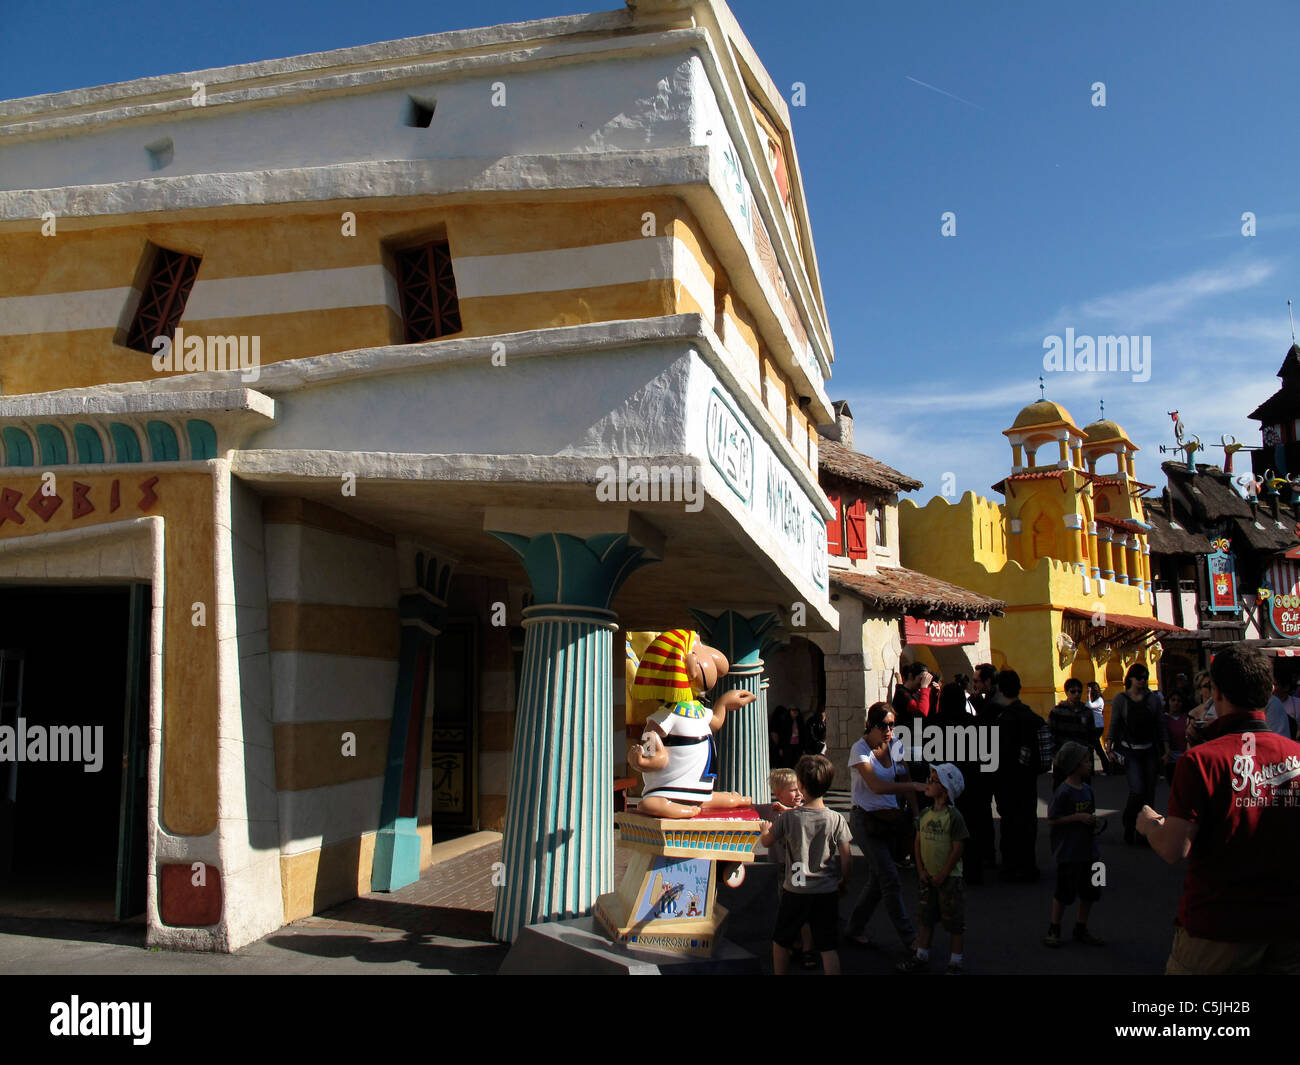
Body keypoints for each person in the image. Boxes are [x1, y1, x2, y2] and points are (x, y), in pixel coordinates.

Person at [1138, 644, 1300, 974]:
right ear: (1269, 691)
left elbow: (1174, 848)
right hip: (1289, 924)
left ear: (1217, 692)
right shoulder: (1296, 755)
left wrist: (1149, 825)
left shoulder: (1202, 761)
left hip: (1219, 927)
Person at [760, 754, 852, 975]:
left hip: (796, 888)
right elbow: (846, 856)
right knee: (828, 947)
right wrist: (844, 881)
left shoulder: (789, 818)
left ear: (800, 785)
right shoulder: (836, 819)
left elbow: (767, 841)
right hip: (826, 889)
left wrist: (764, 830)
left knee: (781, 940)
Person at [844, 703, 925, 952]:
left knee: (879, 880)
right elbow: (877, 785)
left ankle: (855, 927)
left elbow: (905, 778)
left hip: (890, 819)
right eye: (883, 726)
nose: (889, 730)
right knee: (890, 878)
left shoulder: (896, 746)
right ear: (871, 725)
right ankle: (910, 938)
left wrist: (915, 814)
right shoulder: (860, 750)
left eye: (892, 724)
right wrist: (912, 789)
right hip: (865, 819)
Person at [898, 763, 969, 974]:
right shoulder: (925, 814)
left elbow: (958, 847)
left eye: (933, 780)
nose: (927, 782)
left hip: (949, 879)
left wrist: (944, 873)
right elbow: (917, 843)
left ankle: (956, 961)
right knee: (925, 917)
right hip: (928, 877)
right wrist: (920, 870)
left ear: (946, 790)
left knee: (954, 921)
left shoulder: (953, 816)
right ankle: (921, 954)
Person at [1043, 741, 1105, 948]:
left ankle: (1082, 927)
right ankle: (1055, 927)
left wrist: (1093, 821)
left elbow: (1091, 813)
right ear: (1075, 765)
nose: (1090, 764)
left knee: (1093, 890)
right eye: (1087, 761)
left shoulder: (1088, 789)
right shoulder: (1064, 792)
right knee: (1064, 892)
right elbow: (1052, 820)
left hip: (1090, 851)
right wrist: (1077, 818)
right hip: (1068, 853)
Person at [1105, 663, 1169, 845]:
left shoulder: (1153, 699)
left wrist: (1166, 748)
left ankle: (1145, 832)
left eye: (1145, 677)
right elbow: (1115, 724)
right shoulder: (1121, 699)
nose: (1143, 681)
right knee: (1137, 790)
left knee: (1149, 793)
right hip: (1130, 750)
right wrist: (1109, 746)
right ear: (1130, 679)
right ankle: (1129, 822)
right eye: (1139, 677)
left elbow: (1160, 725)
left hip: (1149, 750)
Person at [934, 682, 986, 884]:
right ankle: (973, 870)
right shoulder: (974, 723)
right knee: (971, 827)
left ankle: (944, 870)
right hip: (971, 782)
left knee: (945, 830)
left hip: (944, 785)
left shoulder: (933, 724)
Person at [994, 669, 1042, 881]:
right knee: (1028, 821)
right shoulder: (1031, 716)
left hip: (1007, 778)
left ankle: (1011, 864)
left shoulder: (1003, 719)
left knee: (1009, 821)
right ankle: (1028, 863)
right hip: (1028, 778)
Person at [963, 663, 999, 873]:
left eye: (976, 681)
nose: (974, 684)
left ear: (987, 681)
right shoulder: (990, 700)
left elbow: (983, 725)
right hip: (989, 761)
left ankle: (988, 854)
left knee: (984, 810)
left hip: (990, 762)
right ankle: (989, 853)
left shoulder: (995, 703)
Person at [1049, 678, 1108, 787]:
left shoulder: (1086, 712)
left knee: (1083, 792)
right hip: (1063, 759)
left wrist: (1088, 755)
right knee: (1061, 792)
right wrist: (1055, 756)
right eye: (1073, 691)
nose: (1076, 694)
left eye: (1079, 691)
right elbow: (1052, 734)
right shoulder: (1057, 711)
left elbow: (1091, 735)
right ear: (1066, 692)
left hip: (1081, 759)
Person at [1161, 689, 1190, 785]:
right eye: (1173, 700)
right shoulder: (1164, 719)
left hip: (1185, 756)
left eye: (1179, 701)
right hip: (1170, 758)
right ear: (1168, 702)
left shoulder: (1186, 718)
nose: (1176, 703)